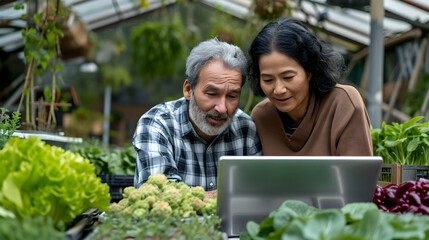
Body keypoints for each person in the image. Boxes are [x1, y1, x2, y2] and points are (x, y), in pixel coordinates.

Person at [133, 38, 262, 200]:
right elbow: (157, 195)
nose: (222, 108)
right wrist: (225, 195)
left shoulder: (246, 129)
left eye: (232, 96)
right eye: (212, 94)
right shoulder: (158, 123)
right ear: (188, 90)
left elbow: (257, 193)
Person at [248, 17, 373, 156]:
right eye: (268, 79)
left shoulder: (343, 104)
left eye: (288, 77)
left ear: (310, 71)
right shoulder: (261, 116)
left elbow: (358, 176)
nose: (279, 90)